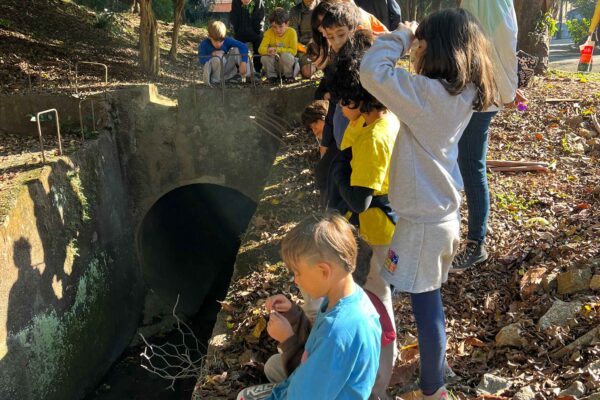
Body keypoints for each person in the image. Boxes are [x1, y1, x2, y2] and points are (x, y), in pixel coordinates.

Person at [360, 8, 496, 400]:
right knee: (423, 295)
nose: (416, 52)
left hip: (421, 223)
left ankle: (434, 389)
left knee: (423, 304)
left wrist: (401, 35)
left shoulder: (427, 96)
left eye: (421, 47)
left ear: (434, 49)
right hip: (440, 216)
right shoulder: (463, 92)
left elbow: (372, 70)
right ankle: (437, 368)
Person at [236, 213, 381, 400]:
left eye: (298, 273)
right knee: (272, 367)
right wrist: (293, 314)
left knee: (243, 397)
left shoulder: (336, 333)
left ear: (324, 270)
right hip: (330, 386)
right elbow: (316, 347)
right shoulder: (350, 298)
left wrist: (288, 342)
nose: (295, 280)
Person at [327, 31, 399, 399]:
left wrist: (339, 171)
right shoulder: (369, 120)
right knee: (374, 290)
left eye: (344, 101)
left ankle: (379, 383)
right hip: (377, 230)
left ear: (361, 97)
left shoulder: (375, 136)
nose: (340, 109)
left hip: (384, 232)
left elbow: (360, 200)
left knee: (379, 294)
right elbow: (348, 142)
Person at [452, 0, 524, 270]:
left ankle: (475, 243)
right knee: (463, 164)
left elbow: (501, 44)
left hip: (480, 93)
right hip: (471, 89)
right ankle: (462, 235)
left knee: (471, 167)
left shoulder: (490, 2)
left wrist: (506, 90)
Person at [259, 8, 298, 83]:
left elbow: (294, 51)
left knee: (286, 56)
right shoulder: (268, 33)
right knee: (264, 57)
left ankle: (289, 76)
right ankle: (272, 77)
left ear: (287, 24)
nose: (277, 30)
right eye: (274, 27)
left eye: (280, 26)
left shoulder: (292, 32)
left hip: (288, 64)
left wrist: (277, 49)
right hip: (275, 64)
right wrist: (268, 51)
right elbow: (260, 49)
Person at [230, 0, 265, 72]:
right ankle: (239, 70)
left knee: (259, 45)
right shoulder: (236, 2)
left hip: (255, 31)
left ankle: (257, 70)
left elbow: (260, 18)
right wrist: (237, 31)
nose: (246, 0)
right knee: (237, 47)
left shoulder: (258, 2)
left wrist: (258, 31)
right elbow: (234, 18)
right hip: (240, 31)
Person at [290, 0, 319, 78]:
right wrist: (306, 49)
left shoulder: (324, 7)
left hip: (322, 46)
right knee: (307, 72)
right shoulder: (295, 11)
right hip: (304, 49)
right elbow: (293, 39)